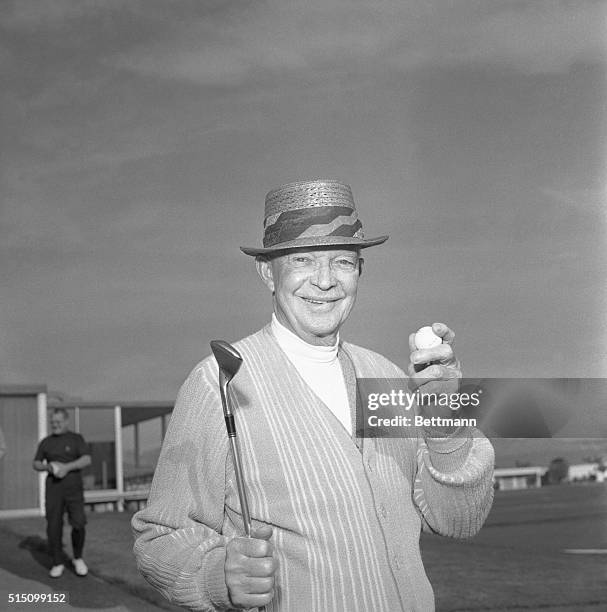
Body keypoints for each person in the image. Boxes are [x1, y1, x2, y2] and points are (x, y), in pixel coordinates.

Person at [132, 179, 495, 611]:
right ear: (267, 271)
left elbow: (458, 522)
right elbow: (161, 537)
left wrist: (446, 419)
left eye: (342, 261)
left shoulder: (387, 377)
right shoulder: (219, 382)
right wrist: (216, 577)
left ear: (359, 270)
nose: (324, 281)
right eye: (302, 259)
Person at [33, 408, 91, 578]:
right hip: (53, 488)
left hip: (73, 488)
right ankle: (57, 562)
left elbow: (87, 459)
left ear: (66, 421)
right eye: (53, 422)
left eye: (58, 422)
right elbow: (36, 463)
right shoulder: (46, 442)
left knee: (79, 523)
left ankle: (78, 558)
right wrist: (48, 466)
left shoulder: (76, 439)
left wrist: (66, 467)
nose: (55, 425)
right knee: (53, 526)